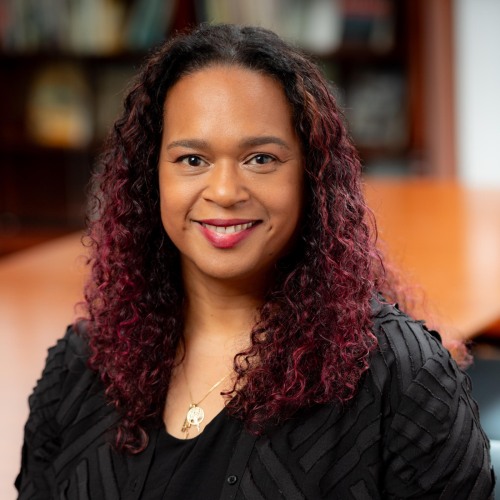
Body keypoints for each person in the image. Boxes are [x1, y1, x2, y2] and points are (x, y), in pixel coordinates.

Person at [16, 24, 494, 499]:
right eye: (192, 160)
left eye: (261, 159)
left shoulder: (401, 379)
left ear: (311, 177)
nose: (224, 192)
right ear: (151, 177)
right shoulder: (82, 366)